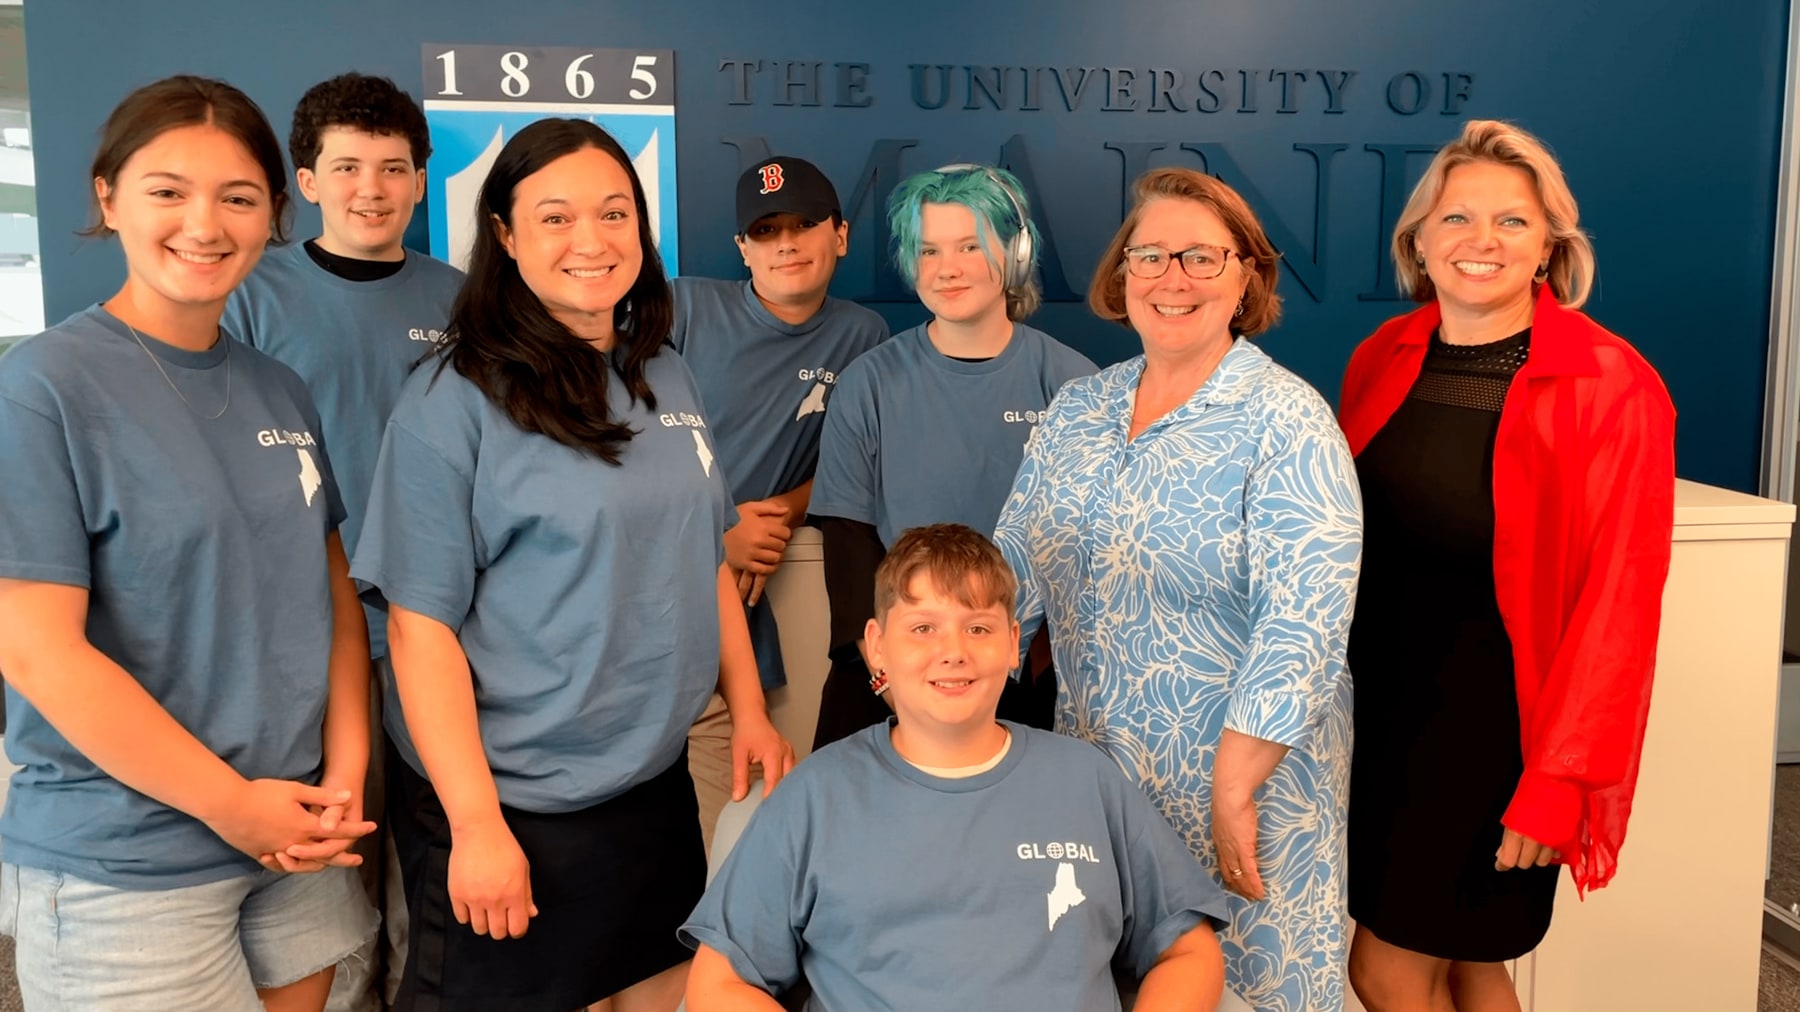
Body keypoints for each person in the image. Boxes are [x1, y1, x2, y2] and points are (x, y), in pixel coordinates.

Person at [351, 118, 796, 1012]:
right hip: (510, 801)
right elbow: (419, 625)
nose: (591, 240)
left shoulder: (663, 373)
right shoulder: (453, 402)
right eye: (555, 217)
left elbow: (705, 556)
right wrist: (476, 825)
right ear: (506, 237)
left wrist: (747, 706)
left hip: (648, 780)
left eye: (614, 213)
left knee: (648, 990)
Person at [0, 75, 376, 1012]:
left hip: (294, 841)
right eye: (168, 191)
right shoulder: (44, 387)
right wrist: (230, 805)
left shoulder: (279, 389)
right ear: (107, 195)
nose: (204, 224)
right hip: (127, 860)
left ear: (274, 213)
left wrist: (345, 773)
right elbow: (37, 651)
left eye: (238, 198)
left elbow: (328, 601)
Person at [994, 167, 1362, 1012]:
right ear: (1122, 276)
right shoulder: (1079, 409)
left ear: (1246, 277)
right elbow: (1013, 563)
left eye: (1202, 256)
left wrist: (1234, 785)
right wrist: (927, 669)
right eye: (1151, 254)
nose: (1173, 278)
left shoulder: (1287, 419)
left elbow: (1304, 624)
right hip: (1100, 777)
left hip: (1245, 784)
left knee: (1250, 990)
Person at [1336, 119, 1675, 1012]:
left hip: (1501, 737)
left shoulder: (1612, 381)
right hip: (1385, 721)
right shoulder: (1383, 359)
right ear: (1418, 242)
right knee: (1469, 965)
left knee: (1387, 970)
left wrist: (1559, 778)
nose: (1480, 242)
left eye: (1511, 223)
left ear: (1552, 247)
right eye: (1456, 219)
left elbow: (1621, 603)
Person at [681, 523, 1230, 1011]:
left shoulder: (1089, 781)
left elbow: (1188, 952)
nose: (953, 652)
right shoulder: (815, 798)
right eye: (923, 628)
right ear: (876, 648)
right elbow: (718, 984)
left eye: (979, 628)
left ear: (1014, 644)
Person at [222, 71, 464, 1011]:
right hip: (304, 634)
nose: (372, 186)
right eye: (348, 166)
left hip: (436, 623)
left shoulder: (463, 299)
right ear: (308, 180)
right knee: (325, 869)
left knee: (433, 851)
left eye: (393, 167)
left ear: (419, 181)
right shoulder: (248, 292)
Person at [809, 163, 1094, 749]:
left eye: (970, 245)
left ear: (1015, 254)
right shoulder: (869, 384)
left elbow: (1093, 554)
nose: (948, 268)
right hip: (893, 669)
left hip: (1027, 675)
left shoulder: (1073, 385)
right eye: (930, 249)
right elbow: (847, 541)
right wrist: (888, 676)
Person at [671, 156, 887, 854]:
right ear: (743, 249)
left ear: (841, 234)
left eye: (804, 224)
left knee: (730, 838)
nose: (786, 243)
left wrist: (783, 511)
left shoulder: (864, 337)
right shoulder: (683, 307)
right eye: (766, 231)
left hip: (742, 623)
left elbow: (860, 468)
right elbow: (606, 439)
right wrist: (716, 527)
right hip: (649, 595)